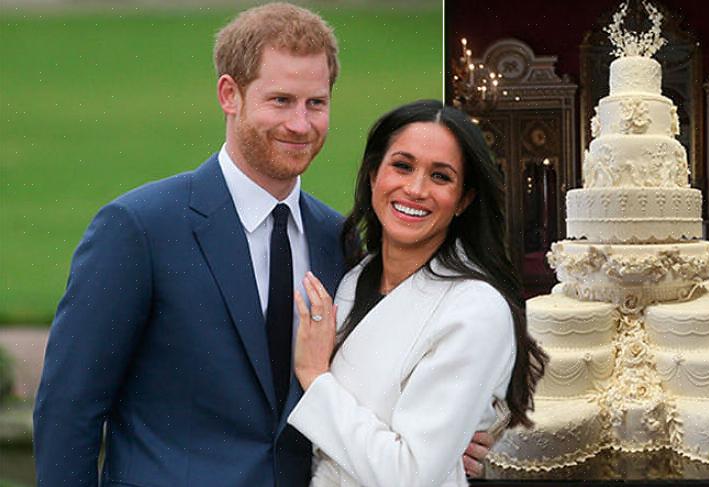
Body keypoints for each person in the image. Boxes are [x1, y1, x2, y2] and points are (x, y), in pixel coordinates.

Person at [33, 4, 491, 486]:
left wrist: (438, 438)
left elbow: (369, 382)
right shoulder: (138, 229)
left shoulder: (339, 241)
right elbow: (69, 407)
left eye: (316, 103)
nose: (301, 124)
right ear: (229, 95)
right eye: (281, 101)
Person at [286, 100, 546, 486]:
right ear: (374, 175)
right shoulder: (353, 279)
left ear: (463, 200)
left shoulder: (475, 309)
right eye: (402, 166)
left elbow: (411, 476)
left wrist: (315, 378)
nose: (415, 189)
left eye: (441, 177)